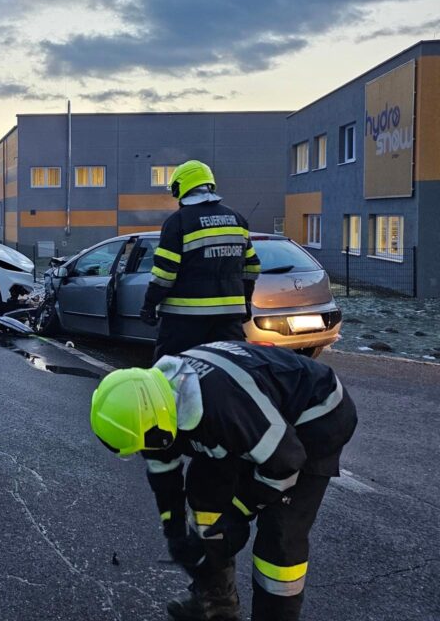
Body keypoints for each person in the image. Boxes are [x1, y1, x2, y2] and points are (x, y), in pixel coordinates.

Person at [90, 341, 357, 621]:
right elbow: (163, 472)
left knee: (279, 538)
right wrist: (174, 528)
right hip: (256, 420)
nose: (148, 450)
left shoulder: (223, 407)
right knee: (204, 492)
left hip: (314, 414)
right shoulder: (153, 402)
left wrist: (238, 514)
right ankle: (215, 602)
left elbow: (286, 462)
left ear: (161, 428)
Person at [141, 160, 261, 360]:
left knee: (171, 372)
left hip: (183, 320)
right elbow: (252, 267)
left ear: (181, 186)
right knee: (228, 372)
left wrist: (149, 304)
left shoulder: (178, 222)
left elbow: (165, 274)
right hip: (228, 319)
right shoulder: (237, 219)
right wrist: (245, 301)